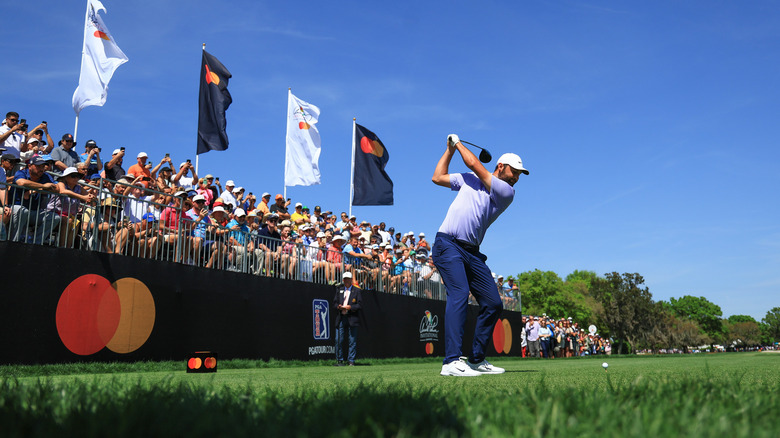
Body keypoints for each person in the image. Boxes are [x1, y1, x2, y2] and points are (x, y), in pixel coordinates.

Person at [431, 133, 529, 377]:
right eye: (514, 171)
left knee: (493, 303)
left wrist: (458, 143)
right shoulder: (469, 180)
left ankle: (475, 359)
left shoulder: (506, 192)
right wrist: (450, 150)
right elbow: (437, 177)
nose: (517, 177)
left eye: (519, 174)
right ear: (501, 166)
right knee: (460, 294)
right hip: (448, 244)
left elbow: (475, 163)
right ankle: (451, 362)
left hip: (472, 252)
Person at [333, 271, 362, 366]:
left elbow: (360, 305)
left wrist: (351, 308)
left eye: (348, 279)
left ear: (351, 280)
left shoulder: (357, 291)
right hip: (341, 317)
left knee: (352, 340)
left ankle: (351, 361)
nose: (346, 281)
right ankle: (339, 360)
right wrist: (339, 306)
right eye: (344, 279)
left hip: (352, 317)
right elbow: (334, 303)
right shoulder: (339, 289)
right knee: (338, 339)